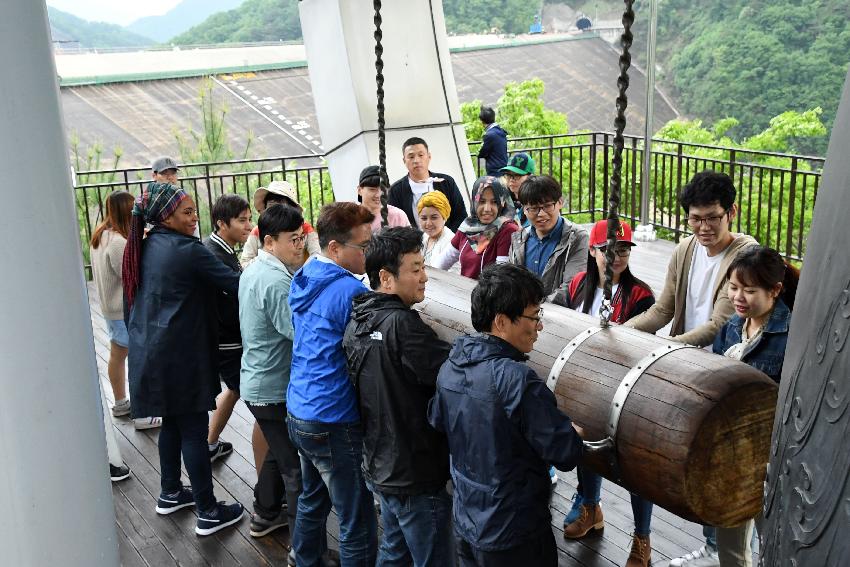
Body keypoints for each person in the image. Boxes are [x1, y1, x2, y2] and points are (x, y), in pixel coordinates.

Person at [622, 170, 758, 567]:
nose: (703, 227)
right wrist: (621, 331)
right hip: (692, 367)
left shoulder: (744, 255)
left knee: (723, 464)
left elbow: (717, 326)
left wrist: (661, 349)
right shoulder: (685, 249)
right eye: (696, 218)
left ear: (731, 212)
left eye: (712, 217)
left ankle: (724, 549)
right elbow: (664, 309)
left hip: (727, 371)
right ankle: (714, 544)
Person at [428, 263, 585, 566]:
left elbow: (438, 419)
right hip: (515, 532)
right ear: (501, 322)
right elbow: (564, 453)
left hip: (467, 521)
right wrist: (572, 433)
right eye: (534, 316)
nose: (539, 326)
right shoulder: (518, 380)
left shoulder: (451, 366)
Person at [123, 182, 244, 536]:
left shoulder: (144, 246)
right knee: (193, 430)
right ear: (165, 216)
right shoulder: (187, 250)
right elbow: (238, 284)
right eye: (187, 213)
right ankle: (207, 511)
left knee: (173, 425)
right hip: (179, 355)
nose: (194, 219)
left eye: (194, 212)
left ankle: (170, 491)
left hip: (151, 352)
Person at [343, 227, 454, 567]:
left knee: (394, 554)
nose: (424, 277)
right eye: (416, 269)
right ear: (386, 278)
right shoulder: (403, 327)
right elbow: (453, 372)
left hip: (381, 465)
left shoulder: (358, 317)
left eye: (424, 267)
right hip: (415, 473)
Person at [558, 219, 656, 567]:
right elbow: (556, 314)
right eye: (608, 250)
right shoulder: (577, 285)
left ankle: (642, 537)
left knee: (636, 467)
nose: (616, 257)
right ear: (593, 250)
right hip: (584, 384)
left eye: (624, 250)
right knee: (586, 447)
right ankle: (590, 506)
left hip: (628, 391)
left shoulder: (641, 295)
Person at [287, 202, 378, 566]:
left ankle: (305, 559)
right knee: (357, 517)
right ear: (336, 248)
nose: (369, 254)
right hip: (333, 416)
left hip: (300, 408)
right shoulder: (350, 292)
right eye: (364, 246)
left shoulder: (305, 276)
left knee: (314, 496)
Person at [712, 246, 798, 567]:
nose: (739, 297)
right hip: (734, 450)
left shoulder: (791, 336)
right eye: (734, 288)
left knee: (775, 539)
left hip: (770, 456)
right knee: (730, 545)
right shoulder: (732, 327)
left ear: (775, 290)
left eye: (750, 290)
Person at [239, 204, 306, 564]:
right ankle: (302, 549)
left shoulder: (252, 270)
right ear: (269, 240)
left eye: (301, 237)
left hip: (256, 380)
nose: (299, 245)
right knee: (295, 469)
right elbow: (297, 333)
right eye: (293, 240)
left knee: (279, 454)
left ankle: (265, 513)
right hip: (273, 387)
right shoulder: (278, 280)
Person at [89, 190, 162, 430]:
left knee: (118, 354)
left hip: (110, 309)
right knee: (139, 359)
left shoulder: (101, 236)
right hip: (124, 311)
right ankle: (143, 414)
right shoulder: (119, 242)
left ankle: (120, 403)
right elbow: (130, 276)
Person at [203, 194, 253, 463]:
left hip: (225, 339)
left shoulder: (220, 248)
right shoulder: (215, 254)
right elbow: (238, 289)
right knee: (264, 410)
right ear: (222, 223)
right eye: (242, 220)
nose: (249, 226)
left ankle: (209, 444)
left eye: (249, 219)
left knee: (233, 390)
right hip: (228, 341)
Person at [508, 175, 588, 298]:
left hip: (560, 314)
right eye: (533, 208)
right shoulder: (519, 239)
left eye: (547, 206)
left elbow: (572, 286)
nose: (541, 214)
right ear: (524, 209)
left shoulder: (576, 238)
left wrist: (535, 308)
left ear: (560, 202)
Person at [434, 176, 519, 279]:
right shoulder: (468, 226)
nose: (487, 209)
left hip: (490, 294)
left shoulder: (508, 230)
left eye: (494, 202)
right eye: (482, 201)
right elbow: (441, 263)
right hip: (463, 291)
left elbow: (501, 277)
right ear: (474, 201)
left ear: (502, 203)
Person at [388, 137, 468, 231]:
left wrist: (448, 239)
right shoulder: (396, 190)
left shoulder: (446, 182)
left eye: (421, 155)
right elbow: (396, 225)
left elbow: (460, 216)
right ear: (404, 160)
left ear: (429, 156)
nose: (416, 160)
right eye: (411, 156)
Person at [240, 180, 321, 268]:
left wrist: (301, 274)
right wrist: (266, 260)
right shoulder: (257, 231)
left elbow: (317, 255)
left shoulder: (304, 228)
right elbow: (244, 262)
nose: (276, 213)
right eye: (271, 207)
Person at [356, 165, 411, 231]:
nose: (378, 195)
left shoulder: (397, 215)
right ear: (359, 190)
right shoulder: (349, 217)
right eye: (372, 189)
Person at [417, 191, 455, 267]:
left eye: (434, 218)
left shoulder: (452, 243)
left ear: (444, 217)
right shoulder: (423, 237)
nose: (428, 223)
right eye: (424, 218)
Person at [500, 153, 535, 225]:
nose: (512, 179)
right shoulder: (504, 199)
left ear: (530, 177)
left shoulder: (537, 203)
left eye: (517, 175)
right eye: (508, 175)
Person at [477, 106, 507, 177]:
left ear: (482, 121)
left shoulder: (490, 135)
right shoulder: (500, 130)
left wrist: (479, 152)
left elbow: (482, 153)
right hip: (502, 167)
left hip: (494, 170)